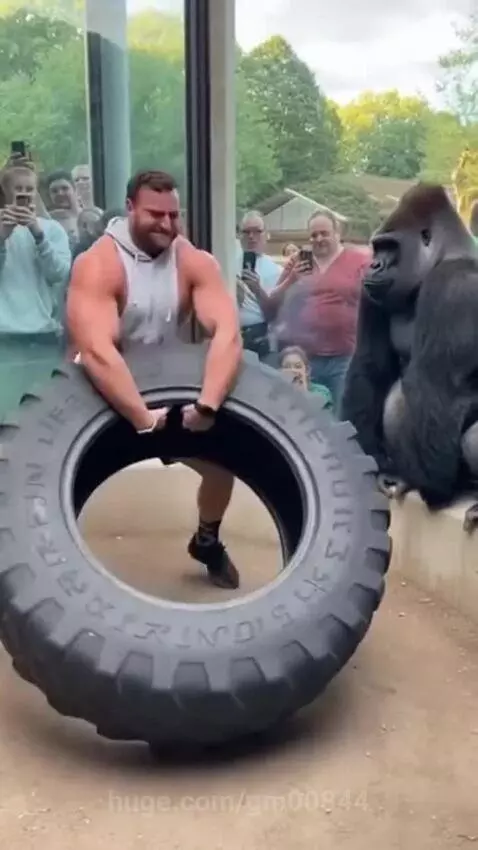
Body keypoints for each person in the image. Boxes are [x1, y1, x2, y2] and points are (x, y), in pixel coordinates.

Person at [66, 169, 243, 589]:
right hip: (95, 396)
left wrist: (207, 405)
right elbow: (95, 351)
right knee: (56, 487)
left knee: (221, 469)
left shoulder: (194, 262)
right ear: (130, 208)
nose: (166, 224)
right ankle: (46, 590)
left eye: (173, 214)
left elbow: (228, 333)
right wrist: (141, 418)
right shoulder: (98, 265)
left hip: (165, 392)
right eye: (154, 213)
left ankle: (206, 541)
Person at [242, 210, 370, 415]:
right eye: (313, 235)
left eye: (324, 233)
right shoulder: (298, 261)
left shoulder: (359, 261)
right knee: (304, 416)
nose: (319, 239)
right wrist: (291, 280)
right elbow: (271, 310)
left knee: (341, 416)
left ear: (337, 233)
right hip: (304, 360)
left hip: (344, 357)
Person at [0, 160, 71, 414]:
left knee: (40, 410)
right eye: (18, 189)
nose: (24, 194)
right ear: (6, 192)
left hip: (43, 335)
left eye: (29, 189)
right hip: (4, 336)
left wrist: (38, 234)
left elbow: (59, 274)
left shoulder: (52, 230)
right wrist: (2, 237)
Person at [235, 210, 282, 360]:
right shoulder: (226, 262)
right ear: (239, 235)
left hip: (260, 337)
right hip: (230, 334)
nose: (251, 237)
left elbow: (273, 315)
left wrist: (257, 289)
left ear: (266, 235)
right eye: (246, 232)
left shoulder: (276, 271)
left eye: (257, 232)